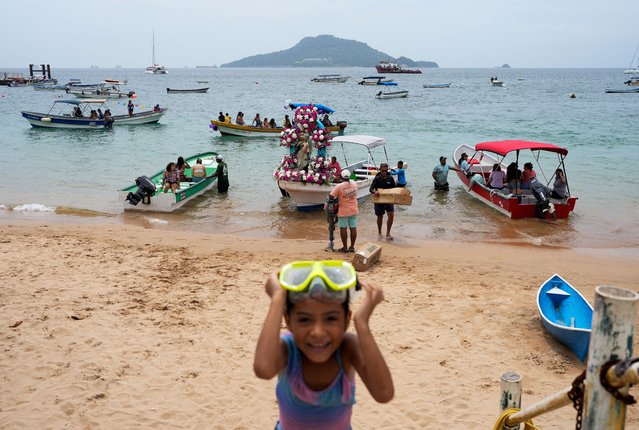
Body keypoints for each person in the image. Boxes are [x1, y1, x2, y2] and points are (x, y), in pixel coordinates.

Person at [254, 261, 394, 430]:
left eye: (330, 319)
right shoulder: (288, 349)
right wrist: (277, 298)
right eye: (305, 320)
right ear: (288, 321)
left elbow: (384, 393)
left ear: (346, 320)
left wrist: (362, 323)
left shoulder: (347, 348)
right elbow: (263, 368)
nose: (318, 332)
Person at [330, 170, 358, 252]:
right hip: (354, 209)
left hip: (343, 210)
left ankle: (345, 247)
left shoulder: (339, 186)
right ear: (349, 176)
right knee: (353, 228)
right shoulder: (354, 184)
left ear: (341, 177)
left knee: (343, 228)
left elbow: (331, 196)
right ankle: (352, 247)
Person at [370, 163, 397, 240]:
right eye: (382, 171)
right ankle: (379, 232)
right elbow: (371, 189)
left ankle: (388, 233)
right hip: (379, 201)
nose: (384, 172)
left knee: (391, 216)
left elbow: (394, 189)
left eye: (385, 171)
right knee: (380, 217)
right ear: (380, 170)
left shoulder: (390, 178)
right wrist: (374, 192)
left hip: (389, 200)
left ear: (387, 170)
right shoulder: (376, 179)